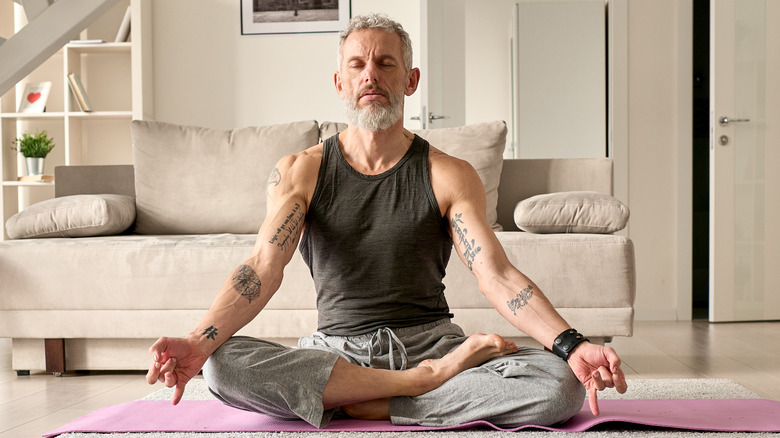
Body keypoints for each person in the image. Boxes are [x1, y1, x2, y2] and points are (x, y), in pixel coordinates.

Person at [145, 13, 627, 429]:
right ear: (340, 83)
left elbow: (496, 276)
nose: (369, 76)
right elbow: (262, 268)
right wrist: (197, 341)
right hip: (337, 353)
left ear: (410, 81)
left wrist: (572, 345)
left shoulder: (448, 174)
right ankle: (417, 391)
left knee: (559, 386)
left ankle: (364, 402)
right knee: (222, 367)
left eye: (385, 63)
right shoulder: (300, 171)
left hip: (431, 343)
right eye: (356, 65)